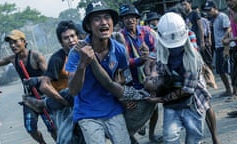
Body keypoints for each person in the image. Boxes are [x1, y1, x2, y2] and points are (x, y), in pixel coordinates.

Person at [65, 1, 131, 144]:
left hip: (113, 109)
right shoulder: (77, 52)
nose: (103, 22)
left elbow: (124, 78)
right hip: (87, 112)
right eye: (97, 19)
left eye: (107, 17)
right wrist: (82, 64)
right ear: (88, 26)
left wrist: (125, 95)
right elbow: (73, 90)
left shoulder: (119, 50)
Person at [145, 12, 212, 143]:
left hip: (193, 102)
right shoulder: (162, 52)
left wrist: (159, 99)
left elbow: (187, 90)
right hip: (171, 104)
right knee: (170, 138)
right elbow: (156, 71)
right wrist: (151, 80)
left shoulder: (194, 59)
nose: (174, 48)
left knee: (194, 138)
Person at [23, 20, 86, 144]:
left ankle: (42, 103)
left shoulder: (86, 52)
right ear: (61, 42)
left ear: (78, 37)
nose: (71, 40)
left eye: (73, 36)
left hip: (83, 101)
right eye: (66, 38)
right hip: (64, 106)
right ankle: (43, 103)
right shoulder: (57, 59)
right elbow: (44, 86)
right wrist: (63, 101)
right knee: (66, 139)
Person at [0, 30, 56, 144]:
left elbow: (51, 76)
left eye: (15, 42)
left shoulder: (36, 56)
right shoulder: (13, 59)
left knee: (52, 127)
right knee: (30, 128)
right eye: (10, 43)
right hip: (29, 100)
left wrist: (37, 79)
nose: (13, 45)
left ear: (24, 41)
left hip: (44, 98)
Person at [119, 3, 162, 143]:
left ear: (137, 18)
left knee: (153, 106)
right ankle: (132, 137)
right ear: (122, 20)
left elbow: (157, 50)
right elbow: (122, 62)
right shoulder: (119, 37)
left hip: (149, 77)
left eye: (132, 17)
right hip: (131, 80)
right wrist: (139, 60)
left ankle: (151, 134)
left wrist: (148, 57)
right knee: (132, 108)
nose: (129, 20)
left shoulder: (147, 31)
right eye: (126, 17)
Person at [203, 1, 233, 97]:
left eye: (210, 10)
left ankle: (234, 90)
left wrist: (226, 46)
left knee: (228, 70)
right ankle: (228, 89)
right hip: (218, 47)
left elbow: (228, 29)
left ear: (215, 8)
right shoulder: (213, 19)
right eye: (206, 11)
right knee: (220, 70)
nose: (208, 12)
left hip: (225, 46)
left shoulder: (222, 16)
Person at [223, 0, 237, 113]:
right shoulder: (231, 11)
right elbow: (233, 27)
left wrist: (230, 39)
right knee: (234, 77)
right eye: (226, 0)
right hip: (235, 48)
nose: (229, 2)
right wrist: (228, 33)